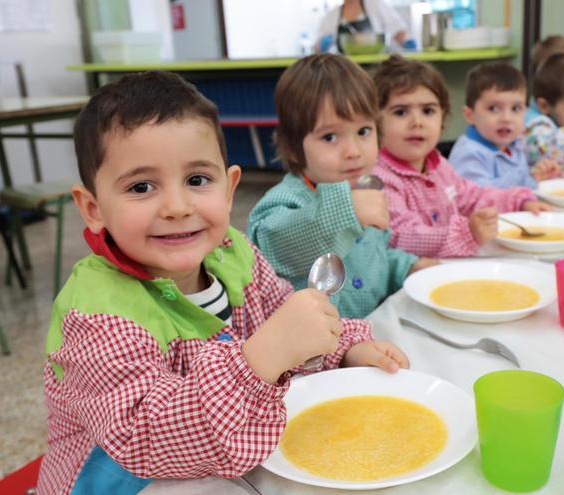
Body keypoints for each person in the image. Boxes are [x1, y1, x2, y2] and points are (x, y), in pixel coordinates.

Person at [38, 71, 408, 494]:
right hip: (122, 480)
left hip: (231, 454)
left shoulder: (233, 254)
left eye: (197, 180)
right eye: (141, 186)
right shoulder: (95, 312)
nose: (178, 207)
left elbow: (286, 317)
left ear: (229, 189)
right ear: (93, 208)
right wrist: (257, 360)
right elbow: (142, 438)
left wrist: (343, 348)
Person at [248, 55, 436, 319]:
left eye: (363, 131)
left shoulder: (364, 189)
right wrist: (347, 210)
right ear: (292, 147)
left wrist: (406, 267)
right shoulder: (286, 201)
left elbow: (372, 258)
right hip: (317, 354)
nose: (353, 151)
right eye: (330, 137)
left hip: (374, 333)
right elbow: (277, 246)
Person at [372, 55, 550, 259]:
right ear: (375, 121)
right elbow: (403, 236)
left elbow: (473, 197)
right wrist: (467, 233)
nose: (417, 122)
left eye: (428, 111)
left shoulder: (438, 166)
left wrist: (518, 200)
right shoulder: (380, 179)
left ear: (442, 118)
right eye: (401, 112)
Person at [448, 60, 560, 190]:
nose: (506, 118)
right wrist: (526, 176)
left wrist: (540, 178)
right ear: (470, 115)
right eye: (494, 108)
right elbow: (480, 197)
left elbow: (524, 189)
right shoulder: (469, 154)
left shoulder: (514, 144)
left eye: (516, 108)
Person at [316, 0, 414, 53]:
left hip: (377, 67)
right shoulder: (332, 15)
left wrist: (408, 42)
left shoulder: (375, 4)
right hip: (346, 72)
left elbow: (398, 30)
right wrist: (321, 46)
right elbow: (317, 47)